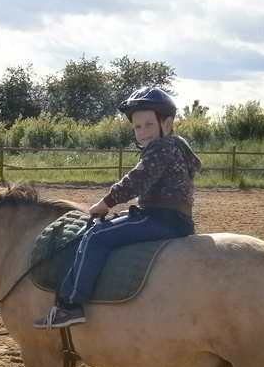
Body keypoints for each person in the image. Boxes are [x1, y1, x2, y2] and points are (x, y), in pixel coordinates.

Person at [33, 87, 202, 329]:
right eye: (137, 127)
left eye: (148, 125)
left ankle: (70, 306)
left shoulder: (160, 148)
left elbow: (136, 180)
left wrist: (105, 204)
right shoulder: (177, 147)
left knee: (95, 236)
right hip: (176, 218)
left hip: (159, 218)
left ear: (167, 123)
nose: (143, 133)